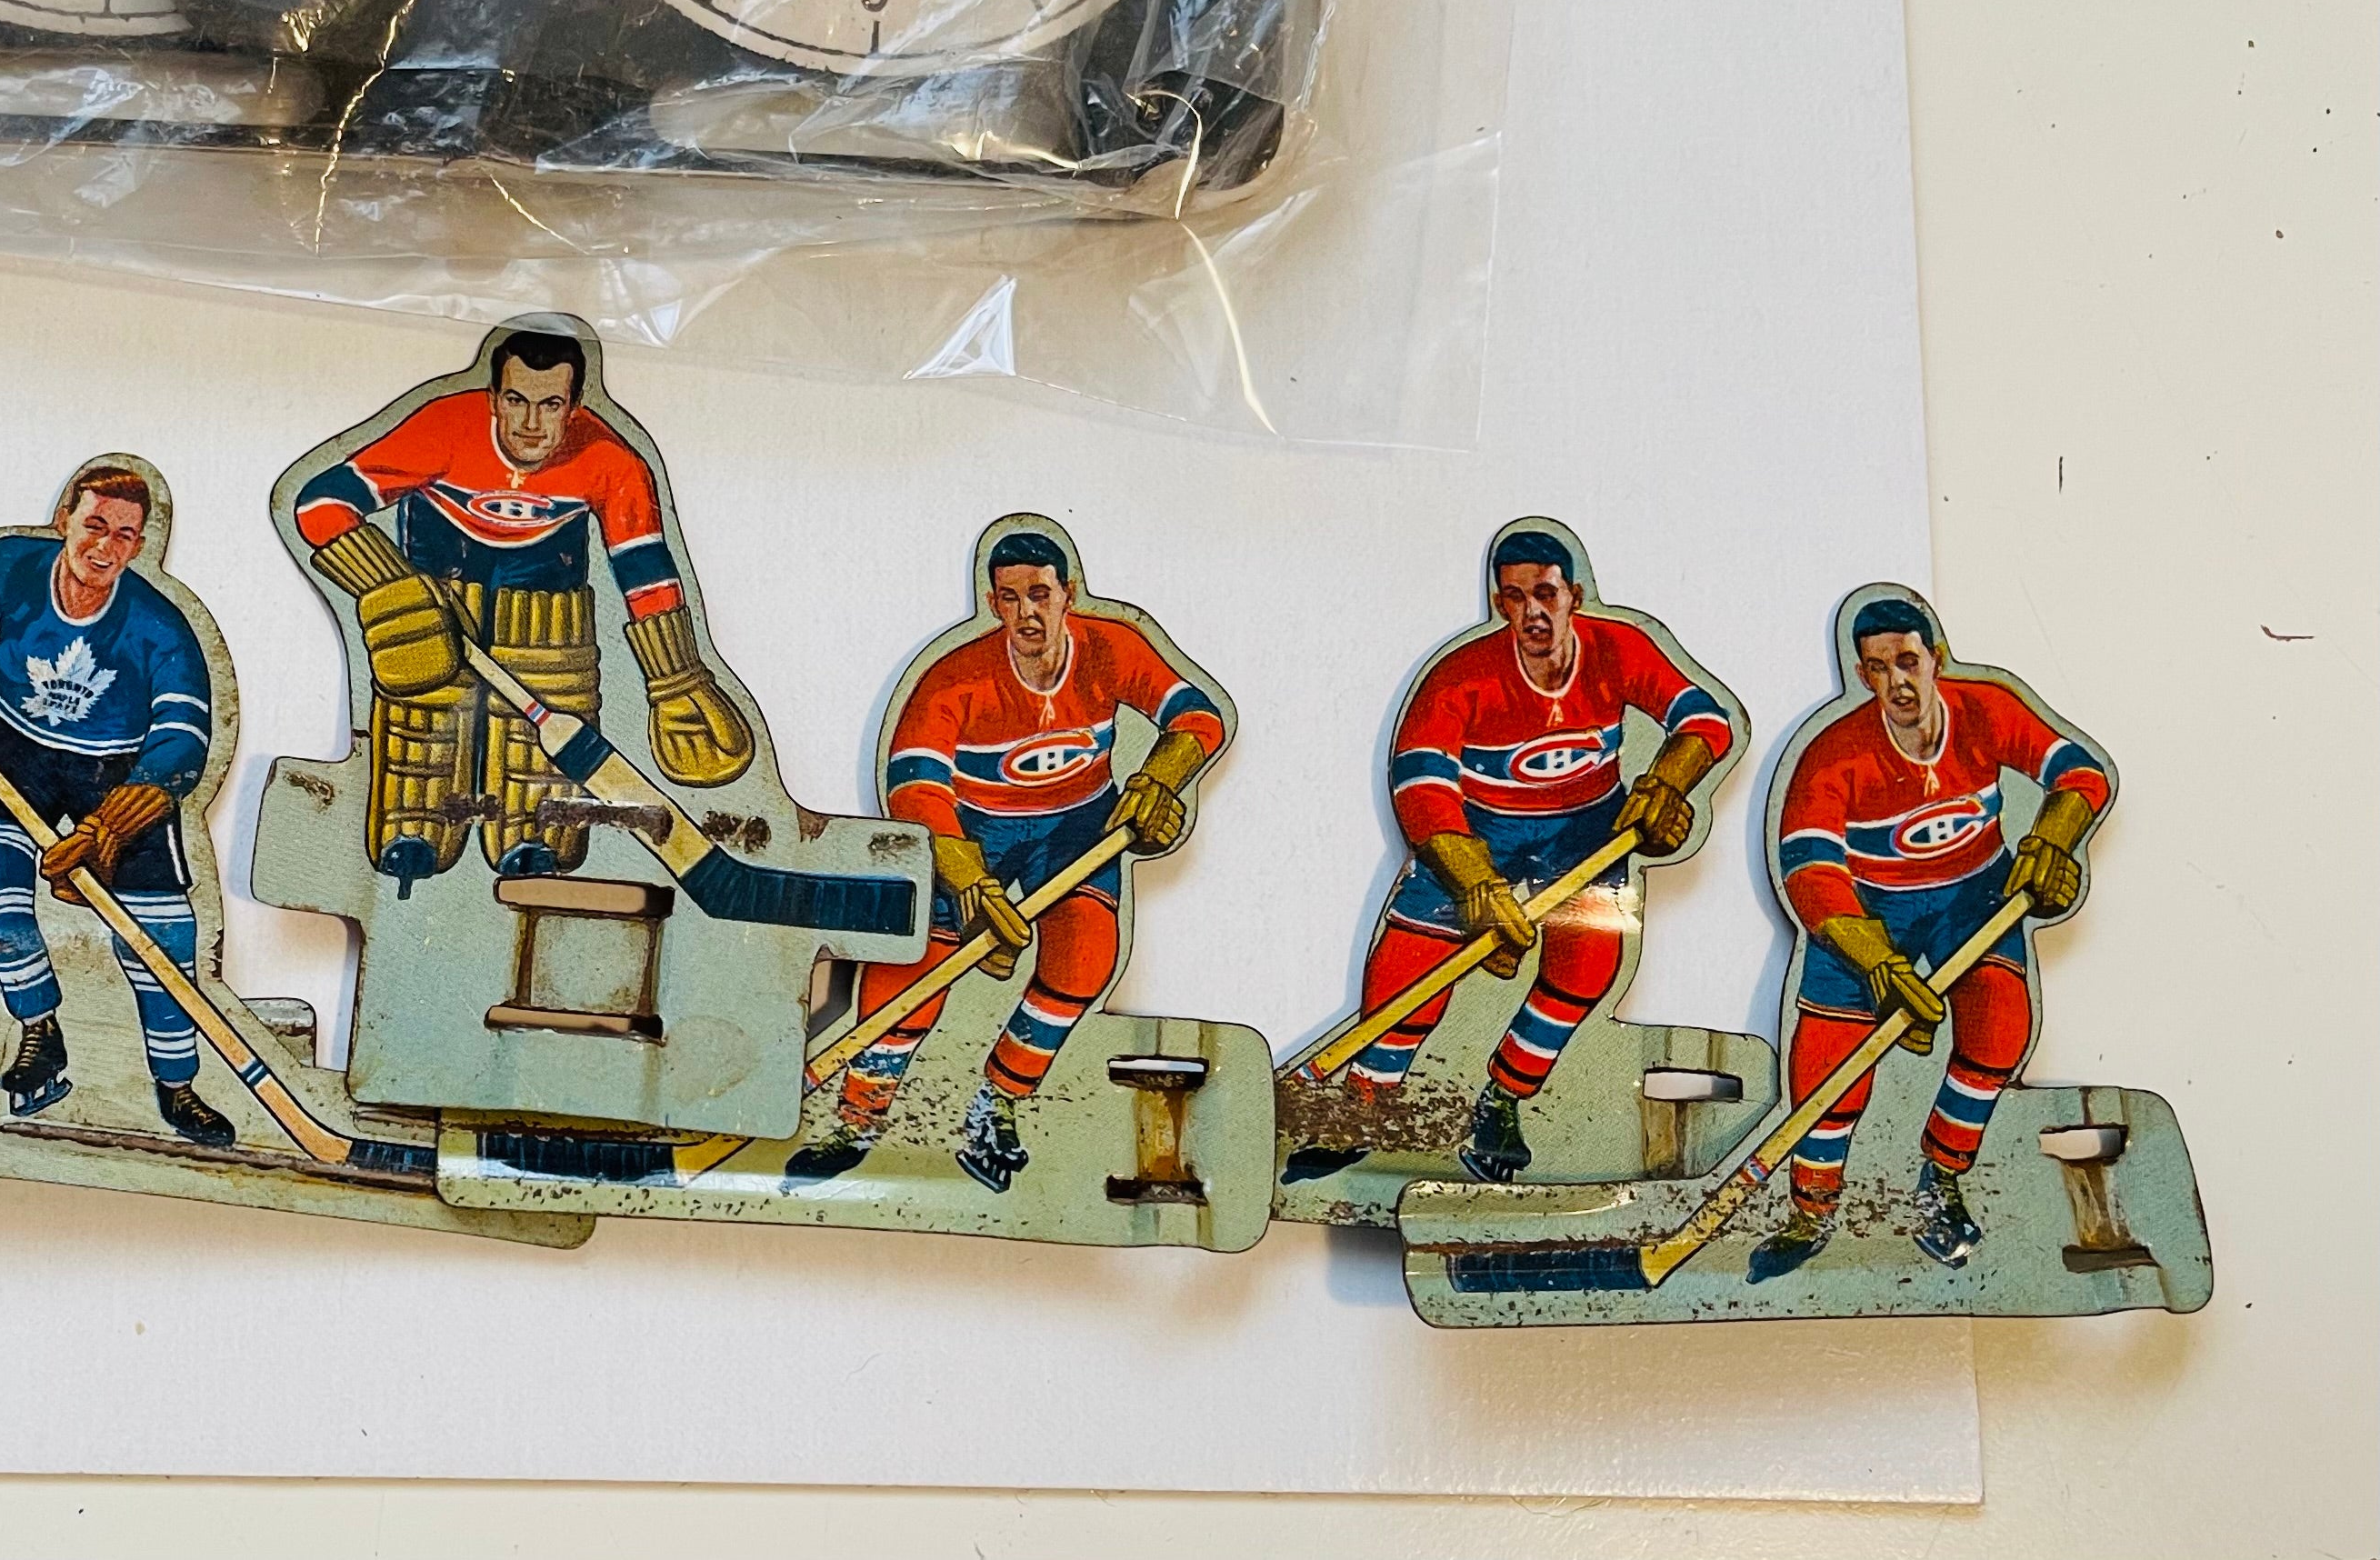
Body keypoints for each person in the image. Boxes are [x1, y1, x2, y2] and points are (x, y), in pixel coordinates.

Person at [1283, 526, 1736, 1186]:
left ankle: (1502, 1102)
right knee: (1405, 974)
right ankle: (1363, 1107)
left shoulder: (1619, 648)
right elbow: (1421, 784)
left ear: (1573, 596)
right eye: (1516, 597)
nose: (1533, 612)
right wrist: (1473, 882)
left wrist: (1667, 782)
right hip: (1478, 832)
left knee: (1587, 965)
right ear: (1499, 603)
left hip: (1585, 832)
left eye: (1546, 594)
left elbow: (1707, 718)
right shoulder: (1461, 675)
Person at [786, 528, 1227, 1193]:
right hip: (970, 828)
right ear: (993, 604)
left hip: (1076, 825)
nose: (1028, 612)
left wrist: (1159, 778)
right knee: (907, 973)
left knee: (1087, 953)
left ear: (1066, 596)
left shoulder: (1110, 647)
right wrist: (966, 878)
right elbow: (915, 786)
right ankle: (858, 1116)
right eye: (1011, 598)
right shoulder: (954, 678)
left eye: (1040, 595)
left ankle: (995, 1105)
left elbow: (1200, 714)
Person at [285, 325, 752, 887]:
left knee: (548, 710)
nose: (531, 424)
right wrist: (390, 589)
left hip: (546, 600)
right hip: (441, 583)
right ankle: (414, 832)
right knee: (426, 696)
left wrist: (674, 677)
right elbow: (320, 502)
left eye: (550, 404)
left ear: (575, 406)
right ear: (493, 398)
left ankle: (535, 839)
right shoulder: (443, 428)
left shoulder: (611, 460)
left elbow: (644, 569)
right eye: (516, 401)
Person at [1746, 593, 2107, 1281]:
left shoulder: (1985, 709)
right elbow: (1809, 874)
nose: (1898, 683)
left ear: (1934, 658)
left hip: (1969, 895)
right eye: (1879, 670)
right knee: (1826, 1070)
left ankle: (1938, 1180)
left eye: (1908, 661)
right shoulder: (1832, 754)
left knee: (2001, 1024)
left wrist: (2054, 837)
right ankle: (1811, 1212)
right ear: (1862, 674)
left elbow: (2080, 773)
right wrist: (1877, 963)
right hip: (1864, 913)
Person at [0, 465, 225, 1140]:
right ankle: (41, 1030)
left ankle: (179, 1086)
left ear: (139, 545)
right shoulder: (15, 564)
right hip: (13, 749)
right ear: (64, 517)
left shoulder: (161, 626)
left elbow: (183, 742)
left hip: (118, 772)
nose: (104, 547)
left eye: (123, 536)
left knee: (163, 939)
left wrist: (109, 826)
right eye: (94, 525)